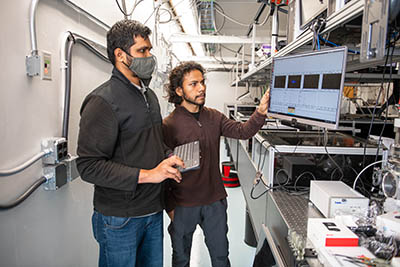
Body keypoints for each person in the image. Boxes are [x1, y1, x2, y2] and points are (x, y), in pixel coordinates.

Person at [76, 19, 184, 267]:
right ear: (120, 55)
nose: (149, 57)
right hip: (120, 219)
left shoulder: (150, 96)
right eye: (142, 51)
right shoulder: (103, 101)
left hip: (152, 211)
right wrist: (149, 175)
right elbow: (88, 166)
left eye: (149, 50)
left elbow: (152, 142)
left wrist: (167, 157)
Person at [163, 61, 270, 267]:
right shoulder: (169, 124)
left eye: (202, 82)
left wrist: (260, 113)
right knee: (181, 258)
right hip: (183, 204)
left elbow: (243, 131)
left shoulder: (214, 116)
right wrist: (169, 206)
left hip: (214, 202)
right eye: (193, 84)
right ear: (179, 90)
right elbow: (164, 168)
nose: (201, 88)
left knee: (221, 257)